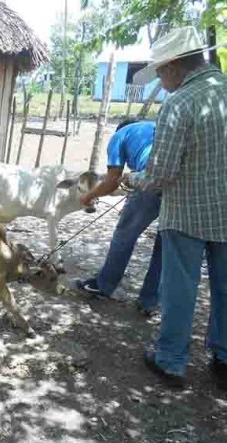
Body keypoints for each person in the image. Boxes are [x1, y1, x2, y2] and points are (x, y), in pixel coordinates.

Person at [124, 27, 227, 390]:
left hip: (188, 214)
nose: (162, 81)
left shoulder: (179, 103)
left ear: (175, 66)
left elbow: (161, 174)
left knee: (180, 288)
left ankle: (170, 361)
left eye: (161, 73)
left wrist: (133, 180)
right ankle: (224, 358)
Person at [77, 119, 161, 316]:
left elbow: (112, 182)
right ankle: (149, 301)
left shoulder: (119, 136)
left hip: (150, 179)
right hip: (178, 184)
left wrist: (89, 196)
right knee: (164, 247)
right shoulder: (153, 126)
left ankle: (104, 286)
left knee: (124, 235)